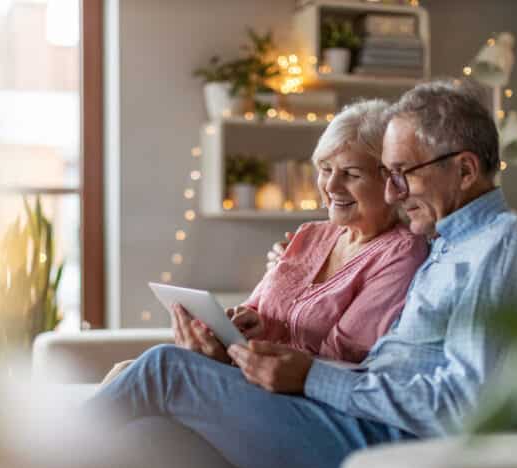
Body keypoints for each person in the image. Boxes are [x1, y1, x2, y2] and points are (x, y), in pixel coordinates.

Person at [87, 80, 517, 468]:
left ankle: (23, 463)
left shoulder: (499, 251)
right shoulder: (448, 245)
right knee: (148, 440)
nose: (394, 193)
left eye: (402, 175)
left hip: (391, 447)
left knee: (166, 369)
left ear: (464, 170)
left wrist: (312, 378)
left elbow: (466, 410)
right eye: (389, 175)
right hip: (359, 425)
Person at [174, 99, 427, 365]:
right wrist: (246, 325)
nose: (331, 186)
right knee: (138, 367)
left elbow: (342, 357)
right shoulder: (310, 234)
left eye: (351, 174)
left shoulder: (402, 253)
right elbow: (255, 309)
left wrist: (236, 355)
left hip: (297, 397)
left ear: (391, 181)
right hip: (247, 373)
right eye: (326, 169)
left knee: (155, 364)